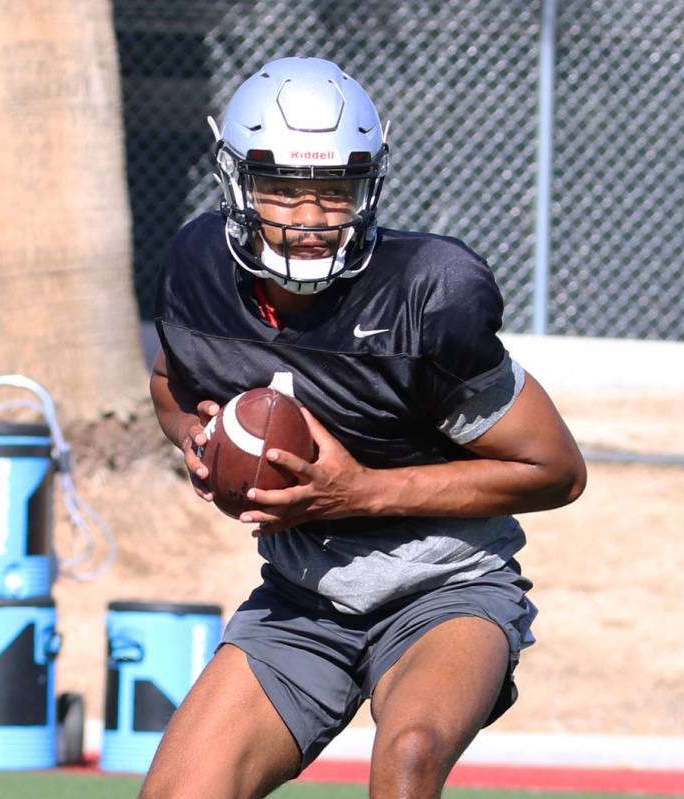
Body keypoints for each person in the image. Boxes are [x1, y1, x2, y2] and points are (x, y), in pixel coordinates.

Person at [142, 56, 586, 799]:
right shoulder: (198, 267)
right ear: (237, 181)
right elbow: (169, 384)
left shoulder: (429, 292)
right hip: (300, 596)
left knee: (407, 756)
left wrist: (361, 490)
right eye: (284, 189)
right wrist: (197, 437)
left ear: (370, 184)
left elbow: (555, 471)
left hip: (446, 587)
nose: (311, 219)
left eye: (334, 190)